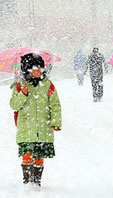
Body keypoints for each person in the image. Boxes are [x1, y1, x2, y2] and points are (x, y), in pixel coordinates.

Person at [10, 53, 62, 187]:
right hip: (26, 129)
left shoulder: (48, 85)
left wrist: (56, 121)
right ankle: (27, 182)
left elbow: (55, 104)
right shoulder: (19, 86)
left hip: (43, 128)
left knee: (39, 156)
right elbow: (14, 105)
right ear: (27, 69)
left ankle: (36, 182)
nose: (39, 71)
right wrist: (23, 94)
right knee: (27, 154)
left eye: (40, 68)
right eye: (35, 68)